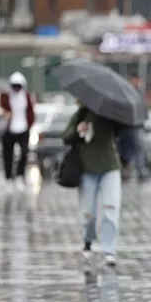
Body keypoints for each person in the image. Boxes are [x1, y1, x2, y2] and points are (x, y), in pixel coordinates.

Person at [63, 103, 124, 267]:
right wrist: (78, 131)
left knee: (111, 209)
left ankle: (109, 250)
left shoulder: (111, 114)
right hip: (87, 169)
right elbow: (66, 137)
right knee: (88, 213)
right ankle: (87, 243)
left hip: (109, 167)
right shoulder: (81, 114)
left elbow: (121, 131)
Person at [0, 72, 36, 192]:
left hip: (23, 129)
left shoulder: (27, 96)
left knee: (24, 153)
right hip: (8, 130)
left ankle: (20, 177)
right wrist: (3, 113)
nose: (16, 88)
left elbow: (31, 112)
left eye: (18, 86)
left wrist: (30, 125)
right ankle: (8, 178)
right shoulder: (4, 95)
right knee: (7, 155)